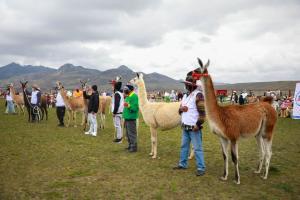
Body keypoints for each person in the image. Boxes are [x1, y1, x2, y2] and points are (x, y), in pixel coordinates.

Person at [173, 72, 206, 176]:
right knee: (184, 146)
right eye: (185, 83)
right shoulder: (185, 96)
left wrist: (198, 124)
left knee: (197, 148)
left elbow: (202, 112)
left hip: (194, 127)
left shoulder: (198, 95)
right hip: (185, 126)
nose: (185, 85)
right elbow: (179, 111)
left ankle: (201, 167)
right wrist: (181, 109)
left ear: (192, 85)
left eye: (187, 83)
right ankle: (182, 164)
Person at [123, 84, 139, 152]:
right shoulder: (128, 96)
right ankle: (130, 145)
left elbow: (135, 108)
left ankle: (134, 147)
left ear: (129, 90)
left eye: (126, 89)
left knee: (132, 133)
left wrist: (129, 105)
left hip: (131, 118)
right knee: (128, 133)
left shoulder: (134, 96)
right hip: (127, 117)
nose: (124, 90)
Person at [110, 78, 124, 143]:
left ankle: (119, 138)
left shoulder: (117, 94)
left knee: (117, 125)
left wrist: (114, 112)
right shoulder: (120, 93)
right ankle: (119, 137)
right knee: (119, 126)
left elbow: (116, 104)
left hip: (117, 112)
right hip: (121, 111)